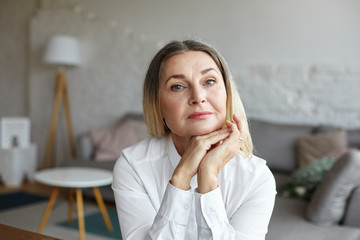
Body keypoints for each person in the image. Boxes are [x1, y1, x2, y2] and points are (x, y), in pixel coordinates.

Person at [112, 39, 276, 240]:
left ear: (227, 93)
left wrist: (208, 175)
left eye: (209, 81)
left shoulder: (257, 179)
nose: (198, 97)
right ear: (157, 104)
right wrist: (180, 179)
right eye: (178, 86)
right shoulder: (133, 165)